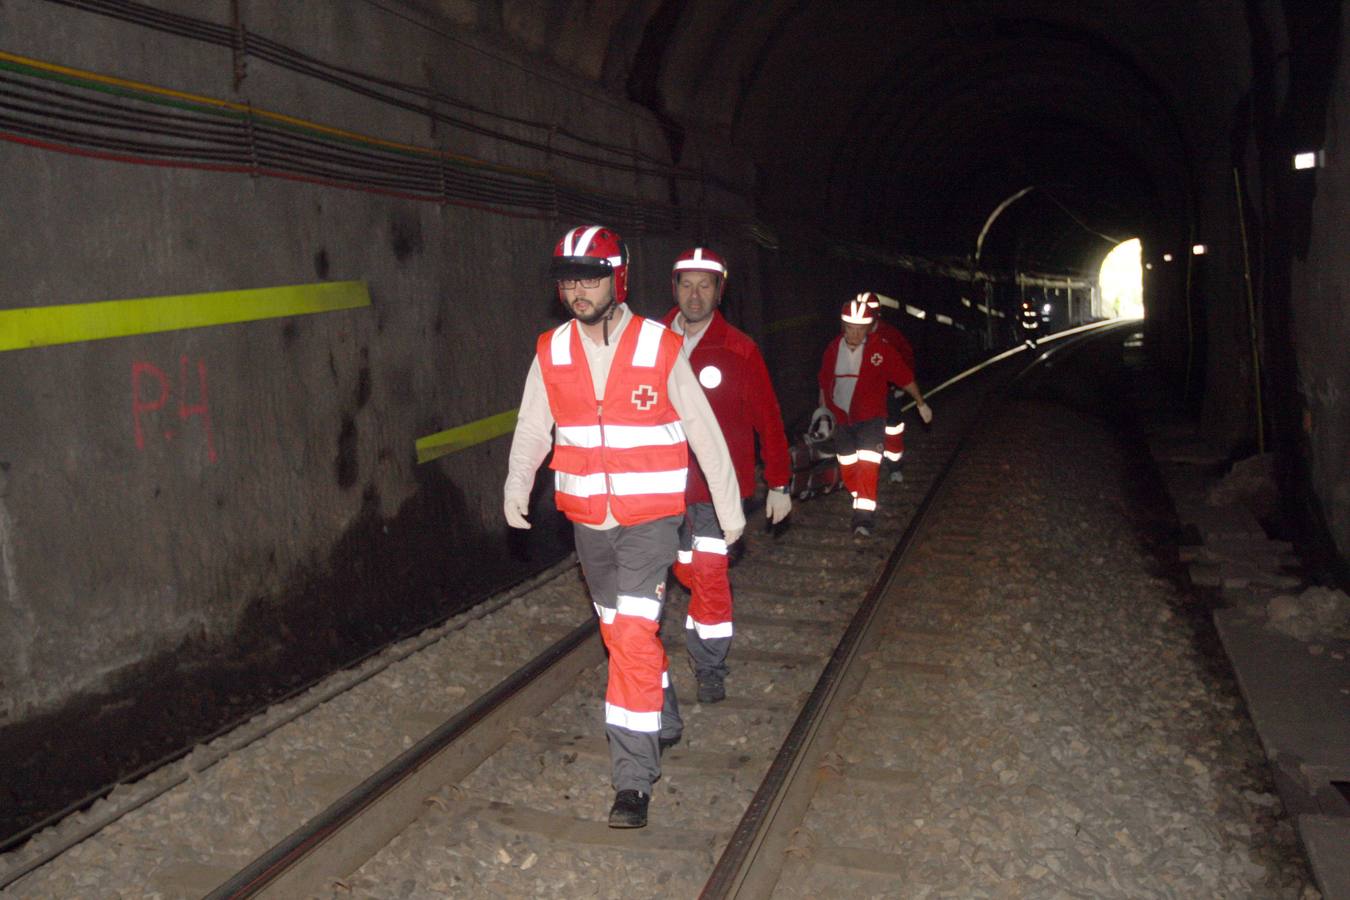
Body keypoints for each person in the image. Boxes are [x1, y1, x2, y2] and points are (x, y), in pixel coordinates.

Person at [503, 225, 745, 829]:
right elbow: (535, 426)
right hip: (588, 522)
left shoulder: (659, 345)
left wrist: (731, 506)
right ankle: (661, 713)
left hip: (650, 523)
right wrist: (516, 483)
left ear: (620, 278)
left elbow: (702, 429)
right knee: (620, 636)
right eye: (568, 280)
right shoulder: (551, 350)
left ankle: (632, 780)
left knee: (632, 638)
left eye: (590, 277)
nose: (578, 291)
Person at [660, 247, 792, 704]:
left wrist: (779, 481)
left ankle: (709, 666)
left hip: (716, 492)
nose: (694, 296)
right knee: (686, 571)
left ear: (720, 291)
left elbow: (768, 419)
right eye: (686, 284)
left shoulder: (739, 349)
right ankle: (702, 637)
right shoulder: (649, 343)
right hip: (659, 488)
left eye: (705, 285)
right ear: (674, 287)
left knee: (711, 575)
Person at [817, 296, 932, 536]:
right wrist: (824, 414)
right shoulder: (831, 350)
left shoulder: (881, 349)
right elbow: (825, 384)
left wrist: (921, 403)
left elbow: (904, 376)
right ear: (843, 326)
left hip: (871, 419)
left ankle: (863, 519)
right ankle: (863, 498)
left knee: (868, 466)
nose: (855, 334)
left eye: (860, 329)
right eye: (850, 328)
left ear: (869, 328)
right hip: (842, 422)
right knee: (849, 467)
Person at [859, 292, 916, 483]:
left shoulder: (889, 334)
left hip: (889, 391)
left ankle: (894, 468)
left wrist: (902, 384)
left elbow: (906, 356)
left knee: (892, 429)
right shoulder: (855, 334)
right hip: (865, 393)